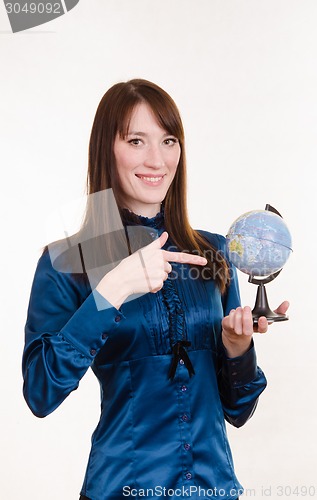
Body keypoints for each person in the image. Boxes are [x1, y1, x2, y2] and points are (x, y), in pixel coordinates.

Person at [22, 79, 289, 500]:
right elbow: (40, 391)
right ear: (107, 149)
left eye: (168, 140)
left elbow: (238, 411)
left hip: (212, 489)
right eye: (136, 140)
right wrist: (112, 289)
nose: (156, 159)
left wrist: (238, 349)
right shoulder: (65, 262)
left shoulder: (214, 252)